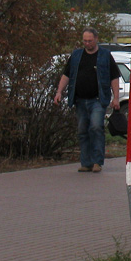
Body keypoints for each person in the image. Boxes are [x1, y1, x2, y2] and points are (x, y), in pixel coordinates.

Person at [54, 27, 120, 173]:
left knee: (96, 127)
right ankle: (86, 162)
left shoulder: (105, 55)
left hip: (98, 99)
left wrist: (116, 97)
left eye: (90, 41)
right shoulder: (76, 55)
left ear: (96, 39)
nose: (87, 43)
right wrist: (59, 92)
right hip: (80, 100)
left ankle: (97, 162)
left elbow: (114, 77)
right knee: (82, 130)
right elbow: (67, 74)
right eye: (85, 41)